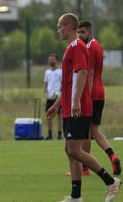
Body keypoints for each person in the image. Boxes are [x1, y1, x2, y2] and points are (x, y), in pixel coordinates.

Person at [47, 13, 121, 202]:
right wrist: (56, 105)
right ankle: (76, 197)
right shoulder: (70, 49)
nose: (58, 30)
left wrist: (77, 102)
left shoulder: (78, 46)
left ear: (69, 27)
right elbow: (69, 82)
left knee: (75, 150)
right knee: (69, 150)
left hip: (77, 108)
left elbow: (82, 73)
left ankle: (110, 181)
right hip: (69, 108)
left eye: (60, 27)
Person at [77, 20, 121, 176]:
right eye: (78, 32)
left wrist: (85, 98)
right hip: (100, 92)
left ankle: (84, 168)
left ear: (89, 32)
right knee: (93, 130)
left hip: (92, 94)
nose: (80, 35)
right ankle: (112, 156)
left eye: (82, 32)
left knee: (85, 132)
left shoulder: (89, 47)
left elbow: (89, 74)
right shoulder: (98, 45)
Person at [43, 53, 63, 140]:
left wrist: (62, 93)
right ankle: (50, 134)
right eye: (50, 59)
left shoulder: (60, 72)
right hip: (50, 97)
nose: (51, 60)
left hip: (58, 97)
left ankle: (59, 134)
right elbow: (45, 84)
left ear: (56, 60)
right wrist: (45, 93)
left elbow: (63, 84)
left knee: (60, 116)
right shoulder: (47, 72)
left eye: (52, 59)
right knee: (49, 116)